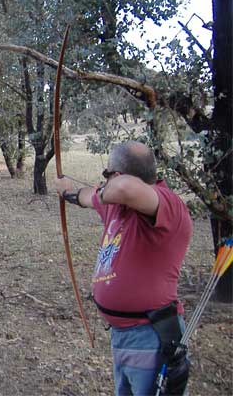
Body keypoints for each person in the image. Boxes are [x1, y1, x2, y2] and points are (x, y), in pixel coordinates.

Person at [54, 141, 192, 396]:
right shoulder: (117, 206)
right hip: (123, 337)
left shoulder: (169, 204)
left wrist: (106, 187)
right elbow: (87, 196)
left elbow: (125, 187)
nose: (104, 183)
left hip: (152, 338)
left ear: (115, 176)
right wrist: (67, 193)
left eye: (107, 175)